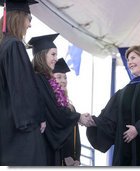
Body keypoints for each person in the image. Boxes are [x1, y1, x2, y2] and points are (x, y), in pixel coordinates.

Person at [28, 33, 87, 166]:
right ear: (43, 55)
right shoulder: (37, 79)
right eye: (53, 54)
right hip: (41, 145)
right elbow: (53, 112)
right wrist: (78, 117)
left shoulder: (42, 79)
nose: (55, 58)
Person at [0, 0, 47, 166]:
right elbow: (22, 88)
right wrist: (37, 118)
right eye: (29, 19)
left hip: (7, 127)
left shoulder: (3, 45)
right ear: (19, 18)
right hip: (21, 131)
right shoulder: (14, 45)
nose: (29, 25)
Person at [52, 58, 81, 166]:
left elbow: (76, 136)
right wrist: (65, 156)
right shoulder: (51, 105)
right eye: (59, 77)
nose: (63, 80)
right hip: (57, 158)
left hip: (71, 161)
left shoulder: (71, 108)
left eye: (65, 77)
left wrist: (77, 157)